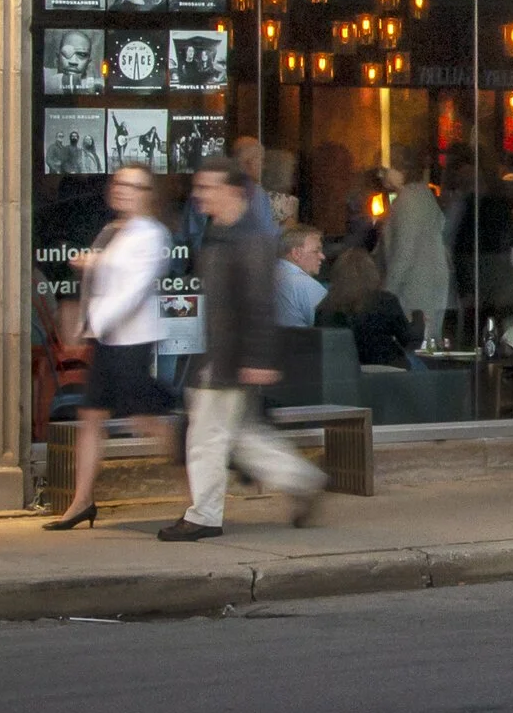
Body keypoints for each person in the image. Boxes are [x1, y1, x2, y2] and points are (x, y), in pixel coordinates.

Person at [160, 155, 326, 540]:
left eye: (208, 187)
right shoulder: (221, 232)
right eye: (198, 187)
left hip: (225, 356)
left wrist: (257, 358)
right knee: (238, 435)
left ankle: (204, 515)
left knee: (207, 437)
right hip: (217, 352)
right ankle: (303, 480)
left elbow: (259, 303)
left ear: (233, 191)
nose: (199, 194)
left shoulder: (249, 239)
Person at [45, 164, 178, 530]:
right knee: (91, 417)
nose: (122, 190)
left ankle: (199, 493)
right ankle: (81, 502)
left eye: (133, 186)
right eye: (119, 183)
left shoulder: (152, 234)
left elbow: (134, 290)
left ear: (148, 194)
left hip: (132, 341)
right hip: (109, 340)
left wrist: (93, 323)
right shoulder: (114, 230)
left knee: (145, 419)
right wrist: (92, 265)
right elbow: (108, 280)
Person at [378, 160, 453, 344]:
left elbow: (404, 251)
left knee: (416, 344)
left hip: (414, 287)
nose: (381, 176)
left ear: (402, 170)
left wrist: (387, 295)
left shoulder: (409, 200)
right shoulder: (422, 195)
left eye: (385, 170)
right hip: (427, 281)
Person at [318, 245, 421, 368]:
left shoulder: (326, 306)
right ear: (372, 273)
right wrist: (418, 317)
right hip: (387, 369)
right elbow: (410, 340)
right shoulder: (385, 301)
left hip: (345, 371)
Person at [274, 223, 328, 328]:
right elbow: (333, 328)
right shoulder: (304, 284)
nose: (322, 256)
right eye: (316, 251)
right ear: (296, 254)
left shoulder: (266, 276)